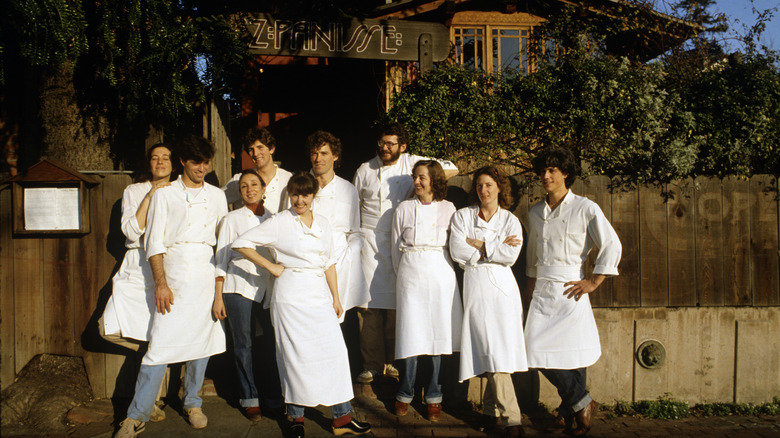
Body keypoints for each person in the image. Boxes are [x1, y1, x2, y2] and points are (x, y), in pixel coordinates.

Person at [232, 172, 371, 438]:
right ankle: (296, 419)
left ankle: (341, 418)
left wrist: (336, 298)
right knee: (295, 357)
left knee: (336, 354)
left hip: (319, 295)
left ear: (313, 195)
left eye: (305, 194)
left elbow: (329, 263)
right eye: (295, 194)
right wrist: (270, 266)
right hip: (290, 297)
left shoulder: (324, 224)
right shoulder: (281, 221)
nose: (300, 200)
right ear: (290, 194)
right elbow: (241, 243)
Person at [115, 136, 228, 438]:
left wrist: (218, 293)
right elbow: (153, 245)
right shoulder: (164, 195)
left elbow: (223, 249)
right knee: (158, 347)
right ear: (183, 162)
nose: (202, 168)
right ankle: (136, 415)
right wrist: (161, 285)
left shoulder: (217, 196)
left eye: (206, 162)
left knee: (201, 345)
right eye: (195, 162)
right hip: (173, 276)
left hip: (205, 278)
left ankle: (192, 402)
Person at [524, 147, 622, 436]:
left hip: (571, 289)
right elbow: (532, 256)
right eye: (542, 171)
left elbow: (611, 244)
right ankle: (581, 402)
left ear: (565, 173)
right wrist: (528, 290)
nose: (545, 176)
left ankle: (568, 412)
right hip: (543, 289)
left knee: (574, 356)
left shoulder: (585, 208)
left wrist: (594, 281)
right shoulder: (535, 212)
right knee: (532, 352)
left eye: (552, 170)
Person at [353, 122, 458, 383]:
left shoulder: (413, 163)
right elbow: (354, 208)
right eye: (382, 143)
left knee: (399, 306)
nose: (385, 148)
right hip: (370, 241)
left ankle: (394, 362)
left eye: (391, 144)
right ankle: (372, 364)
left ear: (403, 146)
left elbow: (451, 167)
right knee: (368, 308)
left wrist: (422, 181)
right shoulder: (365, 170)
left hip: (401, 240)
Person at [449, 166, 526, 437]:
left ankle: (495, 415)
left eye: (489, 185)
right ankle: (510, 419)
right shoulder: (462, 216)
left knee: (499, 350)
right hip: (476, 286)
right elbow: (458, 251)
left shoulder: (510, 220)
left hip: (503, 290)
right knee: (489, 349)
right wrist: (494, 246)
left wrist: (480, 245)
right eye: (480, 185)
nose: (484, 190)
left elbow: (511, 255)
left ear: (499, 188)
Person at [100, 143, 172, 422]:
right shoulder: (134, 190)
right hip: (135, 264)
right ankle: (155, 370)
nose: (160, 162)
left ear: (173, 163)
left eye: (165, 157)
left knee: (159, 330)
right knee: (107, 327)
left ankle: (150, 399)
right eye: (155, 158)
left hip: (164, 265)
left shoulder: (179, 190)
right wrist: (151, 195)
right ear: (149, 163)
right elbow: (131, 231)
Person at [391, 160, 462, 421]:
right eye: (415, 177)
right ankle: (405, 392)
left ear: (434, 180)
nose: (417, 182)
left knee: (436, 335)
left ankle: (434, 395)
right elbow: (394, 247)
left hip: (440, 274)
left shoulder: (449, 208)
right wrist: (407, 274)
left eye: (422, 178)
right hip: (411, 273)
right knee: (411, 335)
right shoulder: (404, 208)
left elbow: (455, 244)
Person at [212, 169, 282, 421]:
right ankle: (249, 398)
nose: (250, 189)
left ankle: (274, 397)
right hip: (237, 286)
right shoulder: (231, 219)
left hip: (266, 288)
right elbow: (221, 257)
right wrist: (218, 295)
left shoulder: (275, 218)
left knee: (271, 344)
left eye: (254, 184)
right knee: (243, 345)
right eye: (244, 186)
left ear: (264, 189)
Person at [307, 130, 369, 321]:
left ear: (335, 156)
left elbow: (355, 231)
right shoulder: (300, 186)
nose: (318, 159)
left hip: (340, 263)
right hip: (310, 262)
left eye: (324, 153)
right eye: (314, 153)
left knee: (337, 321)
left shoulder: (347, 189)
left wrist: (349, 254)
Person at [223, 127, 292, 213]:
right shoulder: (239, 180)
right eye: (251, 150)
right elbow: (216, 200)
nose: (255, 154)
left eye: (260, 147)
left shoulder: (288, 178)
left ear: (271, 149)